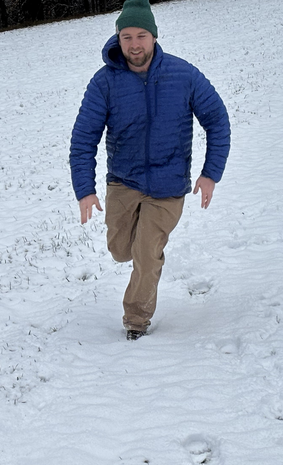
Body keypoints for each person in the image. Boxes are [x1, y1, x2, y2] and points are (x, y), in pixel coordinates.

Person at [69, 0, 231, 341]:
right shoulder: (104, 83)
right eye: (127, 36)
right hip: (123, 182)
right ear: (118, 38)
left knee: (146, 252)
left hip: (168, 185)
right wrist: (85, 189)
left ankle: (136, 321)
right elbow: (83, 138)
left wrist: (209, 173)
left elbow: (217, 120)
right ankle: (137, 254)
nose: (134, 44)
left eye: (141, 35)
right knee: (120, 251)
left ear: (154, 37)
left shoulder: (183, 75)